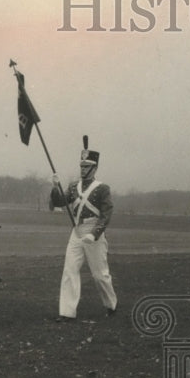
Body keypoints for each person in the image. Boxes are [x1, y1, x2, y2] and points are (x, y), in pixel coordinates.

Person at [49, 136, 118, 321]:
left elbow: (106, 214)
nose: (83, 169)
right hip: (77, 231)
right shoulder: (73, 187)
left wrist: (94, 235)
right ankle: (67, 312)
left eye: (86, 166)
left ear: (94, 168)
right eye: (81, 166)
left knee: (99, 275)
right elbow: (59, 202)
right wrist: (55, 186)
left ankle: (111, 304)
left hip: (93, 231)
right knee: (69, 270)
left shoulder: (102, 188)